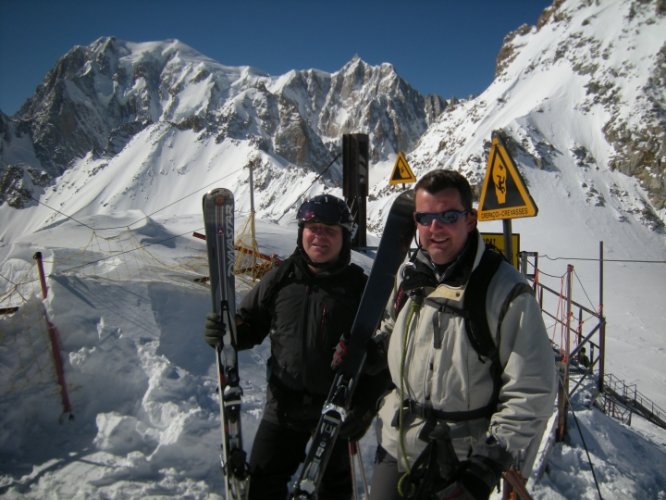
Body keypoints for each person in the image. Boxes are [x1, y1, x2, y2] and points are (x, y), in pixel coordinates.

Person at [368, 170, 557, 499]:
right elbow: (389, 328)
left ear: (469, 221)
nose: (434, 229)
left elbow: (532, 388)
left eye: (448, 216)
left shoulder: (503, 290)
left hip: (461, 461)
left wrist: (486, 465)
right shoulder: (409, 276)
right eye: (424, 218)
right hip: (396, 443)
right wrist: (369, 352)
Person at [204, 194, 377, 500]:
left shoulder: (359, 290)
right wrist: (228, 333)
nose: (320, 236)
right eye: (313, 228)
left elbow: (379, 354)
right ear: (301, 233)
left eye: (330, 230)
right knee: (263, 485)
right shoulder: (281, 279)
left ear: (344, 239)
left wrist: (363, 405)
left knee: (332, 492)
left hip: (333, 411)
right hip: (283, 405)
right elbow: (251, 324)